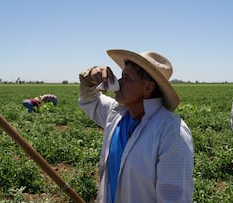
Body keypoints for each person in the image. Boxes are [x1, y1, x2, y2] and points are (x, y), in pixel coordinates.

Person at [78, 49, 194, 203]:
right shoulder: (117, 113)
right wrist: (91, 76)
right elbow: (90, 100)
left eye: (126, 77)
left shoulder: (171, 132)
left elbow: (174, 198)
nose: (119, 82)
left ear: (148, 88)